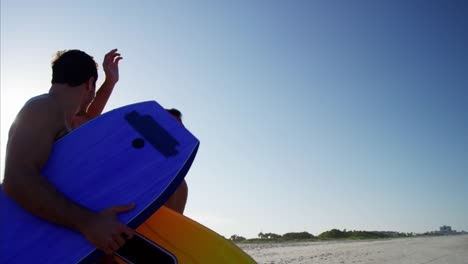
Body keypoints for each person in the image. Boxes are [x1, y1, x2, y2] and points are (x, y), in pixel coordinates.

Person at [2, 49, 135, 257]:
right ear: (90, 84)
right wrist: (89, 222)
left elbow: (88, 120)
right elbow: (16, 179)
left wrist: (109, 83)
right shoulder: (43, 107)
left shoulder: (60, 117)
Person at [71, 53, 190, 215]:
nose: (166, 134)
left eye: (175, 131)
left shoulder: (177, 186)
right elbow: (85, 123)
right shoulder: (113, 153)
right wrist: (110, 82)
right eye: (163, 125)